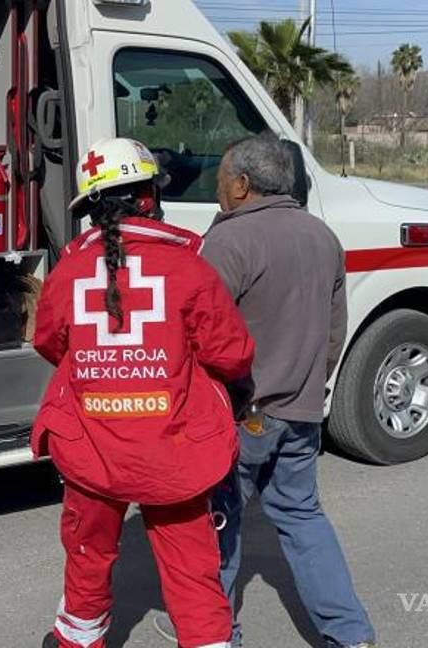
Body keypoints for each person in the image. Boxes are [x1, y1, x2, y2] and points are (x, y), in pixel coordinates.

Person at [33, 137, 255, 648]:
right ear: (150, 197)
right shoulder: (188, 266)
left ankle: (77, 642)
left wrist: (105, 371)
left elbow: (50, 343)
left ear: (90, 209)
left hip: (91, 447)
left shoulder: (67, 271)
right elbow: (233, 353)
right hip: (173, 450)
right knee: (192, 570)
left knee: (87, 556)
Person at [155, 133, 376, 648]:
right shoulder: (322, 236)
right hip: (300, 409)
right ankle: (350, 634)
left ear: (243, 183)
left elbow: (195, 332)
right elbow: (333, 332)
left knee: (220, 520)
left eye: (220, 180)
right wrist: (309, 387)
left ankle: (214, 632)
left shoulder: (232, 242)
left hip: (243, 412)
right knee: (302, 516)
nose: (217, 191)